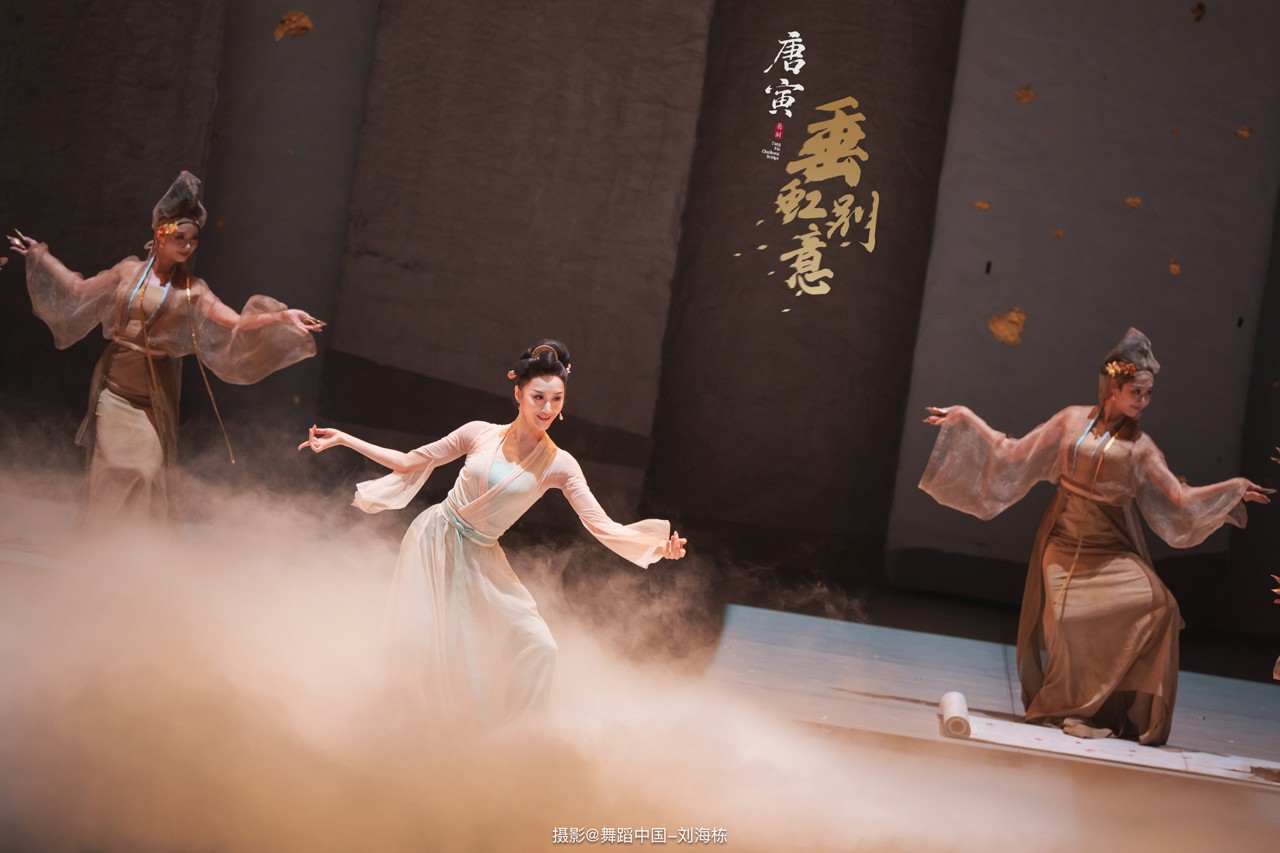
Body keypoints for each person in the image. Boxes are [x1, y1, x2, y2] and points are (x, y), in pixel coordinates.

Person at [298, 340, 688, 725]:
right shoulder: (479, 434)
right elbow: (408, 461)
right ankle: (409, 728)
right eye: (538, 397)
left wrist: (655, 547)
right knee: (426, 644)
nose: (547, 408)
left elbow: (602, 525)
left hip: (482, 557)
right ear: (518, 394)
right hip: (435, 539)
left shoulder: (560, 464)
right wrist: (345, 439)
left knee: (540, 645)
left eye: (556, 399)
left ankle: (516, 738)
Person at [919, 328, 1272, 745]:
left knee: (1160, 607)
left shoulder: (1141, 447)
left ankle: (1127, 711)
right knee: (1066, 620)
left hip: (1110, 548)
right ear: (1113, 388)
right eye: (1135, 392)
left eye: (1148, 394)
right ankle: (1066, 706)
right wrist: (967, 418)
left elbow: (1179, 498)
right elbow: (1012, 452)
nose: (1142, 401)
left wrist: (1231, 488)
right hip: (1063, 539)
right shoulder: (1071, 419)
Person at [9, 171, 323, 528]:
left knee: (146, 470)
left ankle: (134, 541)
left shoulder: (193, 289)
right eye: (180, 237)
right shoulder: (128, 272)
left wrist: (282, 316)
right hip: (115, 387)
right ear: (161, 234)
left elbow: (234, 321)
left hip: (153, 394)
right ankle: (100, 539)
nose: (187, 246)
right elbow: (79, 289)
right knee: (111, 468)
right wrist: (40, 255)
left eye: (193, 239)